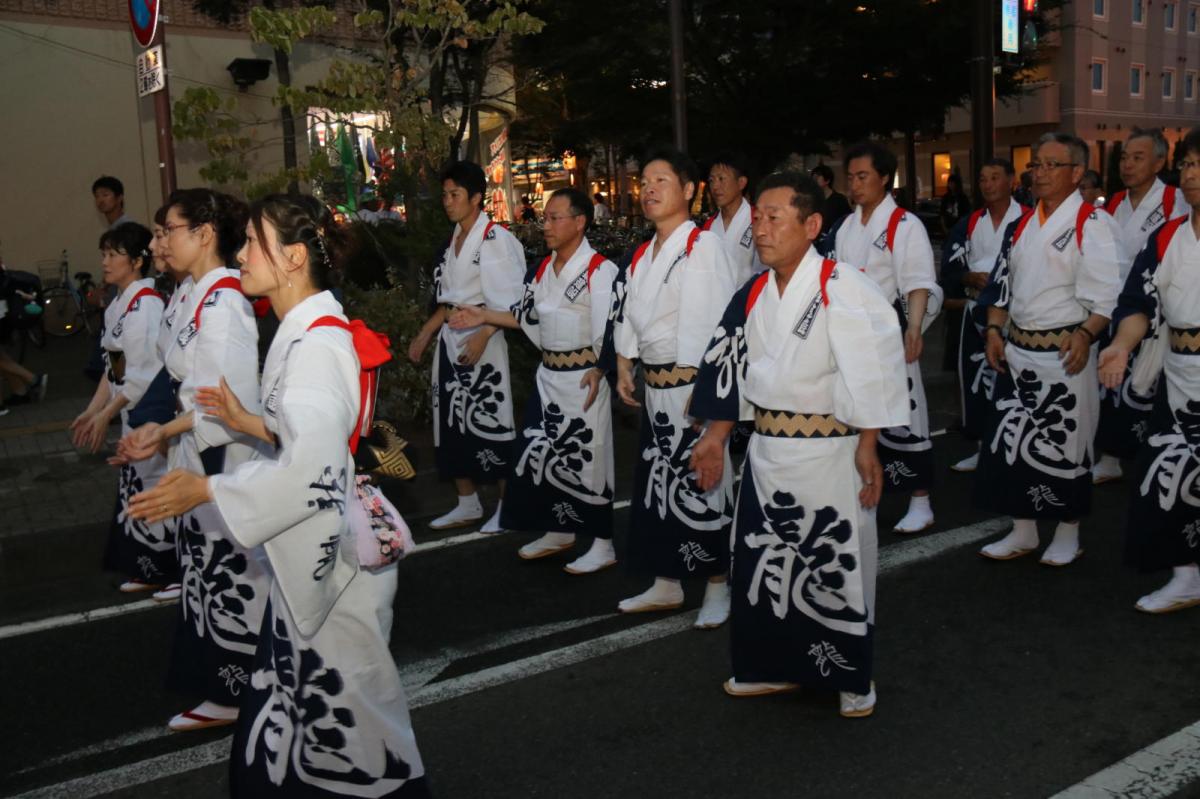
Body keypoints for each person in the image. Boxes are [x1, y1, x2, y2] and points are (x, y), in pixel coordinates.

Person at [131, 193, 430, 797]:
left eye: (252, 243)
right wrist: (248, 424)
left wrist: (210, 485)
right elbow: (310, 441)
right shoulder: (307, 328)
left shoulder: (315, 345)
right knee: (322, 710)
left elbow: (311, 466)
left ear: (293, 258)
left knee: (351, 713)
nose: (240, 253)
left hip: (328, 559)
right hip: (318, 552)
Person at [689, 171, 908, 716]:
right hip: (767, 453)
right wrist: (716, 438)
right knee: (765, 569)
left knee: (833, 565)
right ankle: (769, 666)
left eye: (773, 218)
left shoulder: (845, 286)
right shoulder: (753, 292)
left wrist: (869, 444)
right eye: (757, 217)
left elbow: (873, 369)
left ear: (811, 225)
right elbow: (725, 369)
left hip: (830, 453)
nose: (760, 228)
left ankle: (852, 677)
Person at [117, 188, 269, 732]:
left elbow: (223, 399)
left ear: (205, 234)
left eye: (170, 230)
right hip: (197, 446)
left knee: (230, 571)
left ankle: (240, 688)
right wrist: (157, 429)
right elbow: (181, 381)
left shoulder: (225, 300)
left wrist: (162, 429)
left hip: (223, 455)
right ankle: (225, 684)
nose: (162, 242)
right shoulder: (197, 295)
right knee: (205, 570)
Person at [448, 188, 619, 573]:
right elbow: (524, 317)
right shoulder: (541, 269)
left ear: (580, 222)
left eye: (556, 217)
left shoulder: (599, 271)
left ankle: (603, 542)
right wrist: (483, 316)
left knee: (590, 459)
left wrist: (602, 368)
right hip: (549, 375)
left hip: (584, 377)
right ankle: (559, 529)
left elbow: (612, 329)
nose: (547, 226)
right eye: (545, 218)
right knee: (545, 454)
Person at [974, 132, 1122, 566]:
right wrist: (994, 330)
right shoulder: (1021, 223)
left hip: (1064, 354)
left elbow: (1107, 296)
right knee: (1013, 443)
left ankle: (1067, 531)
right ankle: (1022, 531)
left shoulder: (1091, 223)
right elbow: (1002, 285)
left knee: (1065, 444)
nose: (1038, 173)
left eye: (1050, 165)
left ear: (1076, 173)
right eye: (1036, 165)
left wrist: (1086, 334)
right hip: (1018, 351)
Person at [611, 147, 737, 628]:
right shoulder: (646, 251)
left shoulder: (701, 246)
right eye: (644, 180)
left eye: (662, 180)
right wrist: (625, 363)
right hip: (657, 388)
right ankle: (666, 582)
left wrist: (705, 392)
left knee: (704, 485)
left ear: (689, 190)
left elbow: (714, 324)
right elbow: (631, 316)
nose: (649, 189)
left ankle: (717, 585)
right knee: (658, 488)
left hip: (690, 388)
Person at [1097, 128, 1200, 613]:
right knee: (1165, 475)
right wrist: (1120, 345)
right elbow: (1137, 302)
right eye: (1189, 165)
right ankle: (1186, 576)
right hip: (1179, 376)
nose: (1193, 174)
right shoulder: (1167, 237)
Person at [823, 141, 943, 534]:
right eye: (851, 177)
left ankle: (920, 500)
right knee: (858, 417)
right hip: (851, 334)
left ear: (884, 179)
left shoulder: (904, 224)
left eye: (863, 177)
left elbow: (919, 281)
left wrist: (913, 327)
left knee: (905, 415)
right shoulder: (845, 226)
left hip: (890, 331)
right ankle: (864, 494)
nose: (854, 185)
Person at [407, 161, 526, 533]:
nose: (447, 201)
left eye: (455, 194)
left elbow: (514, 304)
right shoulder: (453, 240)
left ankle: (509, 508)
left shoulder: (497, 240)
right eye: (444, 194)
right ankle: (467, 501)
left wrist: (484, 333)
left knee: (491, 422)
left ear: (476, 198)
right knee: (451, 425)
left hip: (483, 343)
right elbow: (448, 301)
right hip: (450, 341)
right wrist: (426, 333)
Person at [69, 223, 173, 592]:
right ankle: (150, 568)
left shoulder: (144, 306)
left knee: (154, 483)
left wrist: (105, 414)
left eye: (113, 254)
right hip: (132, 413)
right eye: (104, 254)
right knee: (140, 484)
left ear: (137, 261)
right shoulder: (121, 304)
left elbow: (141, 377)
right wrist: (93, 410)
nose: (105, 262)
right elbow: (115, 371)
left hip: (150, 414)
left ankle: (168, 570)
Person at [1093, 128, 1190, 484]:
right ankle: (1112, 455)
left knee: (1153, 388)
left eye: (1138, 157)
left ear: (1161, 162)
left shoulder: (1175, 201)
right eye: (1124, 157)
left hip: (1161, 312)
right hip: (1118, 308)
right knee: (1114, 386)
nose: (1128, 165)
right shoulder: (1113, 203)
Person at [940, 158, 1027, 472]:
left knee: (1013, 381)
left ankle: (1015, 447)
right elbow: (950, 266)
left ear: (1011, 181)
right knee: (976, 382)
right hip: (976, 309)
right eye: (983, 179)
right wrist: (967, 277)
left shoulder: (1029, 219)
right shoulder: (971, 222)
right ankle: (981, 447)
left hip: (1015, 313)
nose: (988, 184)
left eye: (995, 177)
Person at [702, 151, 761, 286]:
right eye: (712, 180)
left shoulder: (758, 220)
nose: (715, 186)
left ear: (741, 183)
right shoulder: (709, 227)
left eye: (721, 179)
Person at [811, 164, 852, 237]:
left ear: (827, 180)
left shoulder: (839, 200)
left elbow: (848, 220)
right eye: (813, 177)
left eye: (818, 177)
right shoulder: (812, 200)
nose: (814, 179)